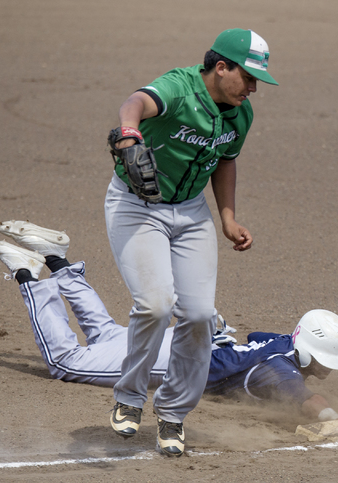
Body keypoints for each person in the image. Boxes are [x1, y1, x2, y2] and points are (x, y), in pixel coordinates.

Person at [0, 222, 338, 444]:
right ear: (306, 351)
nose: (328, 368)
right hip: (178, 358)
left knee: (107, 335)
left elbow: (255, 336)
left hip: (189, 339)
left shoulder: (279, 343)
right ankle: (28, 274)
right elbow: (308, 400)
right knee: (67, 361)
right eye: (323, 360)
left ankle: (56, 258)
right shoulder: (281, 371)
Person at [103, 28, 278, 456]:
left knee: (199, 315)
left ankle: (173, 415)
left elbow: (225, 161)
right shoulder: (178, 88)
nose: (253, 87)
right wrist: (129, 131)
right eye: (248, 76)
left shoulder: (241, 114)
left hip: (192, 212)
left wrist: (228, 218)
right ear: (221, 67)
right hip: (137, 207)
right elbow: (136, 102)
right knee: (156, 304)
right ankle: (129, 398)